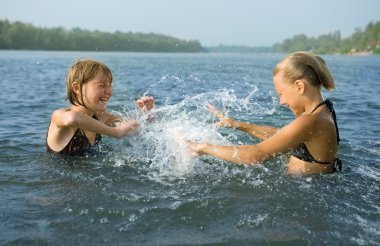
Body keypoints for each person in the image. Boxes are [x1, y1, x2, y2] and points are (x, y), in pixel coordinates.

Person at [187, 51, 341, 174]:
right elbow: (281, 136)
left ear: (299, 86)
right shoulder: (324, 110)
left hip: (307, 195)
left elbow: (255, 155)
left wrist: (202, 148)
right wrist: (235, 124)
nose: (282, 101)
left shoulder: (310, 120)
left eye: (281, 93)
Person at [46, 59, 155, 156]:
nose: (109, 92)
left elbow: (138, 128)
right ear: (77, 88)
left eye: (110, 86)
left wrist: (147, 113)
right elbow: (72, 119)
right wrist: (116, 132)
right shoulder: (59, 117)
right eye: (102, 85)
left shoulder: (100, 117)